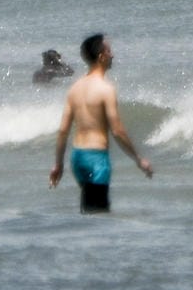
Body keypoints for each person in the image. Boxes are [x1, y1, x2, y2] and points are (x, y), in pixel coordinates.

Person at [48, 34, 152, 213]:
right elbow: (117, 131)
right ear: (102, 56)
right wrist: (138, 159)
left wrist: (58, 164)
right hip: (97, 159)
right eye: (109, 51)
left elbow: (63, 130)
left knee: (88, 210)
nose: (113, 55)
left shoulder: (75, 88)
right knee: (98, 215)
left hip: (77, 158)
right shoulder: (106, 89)